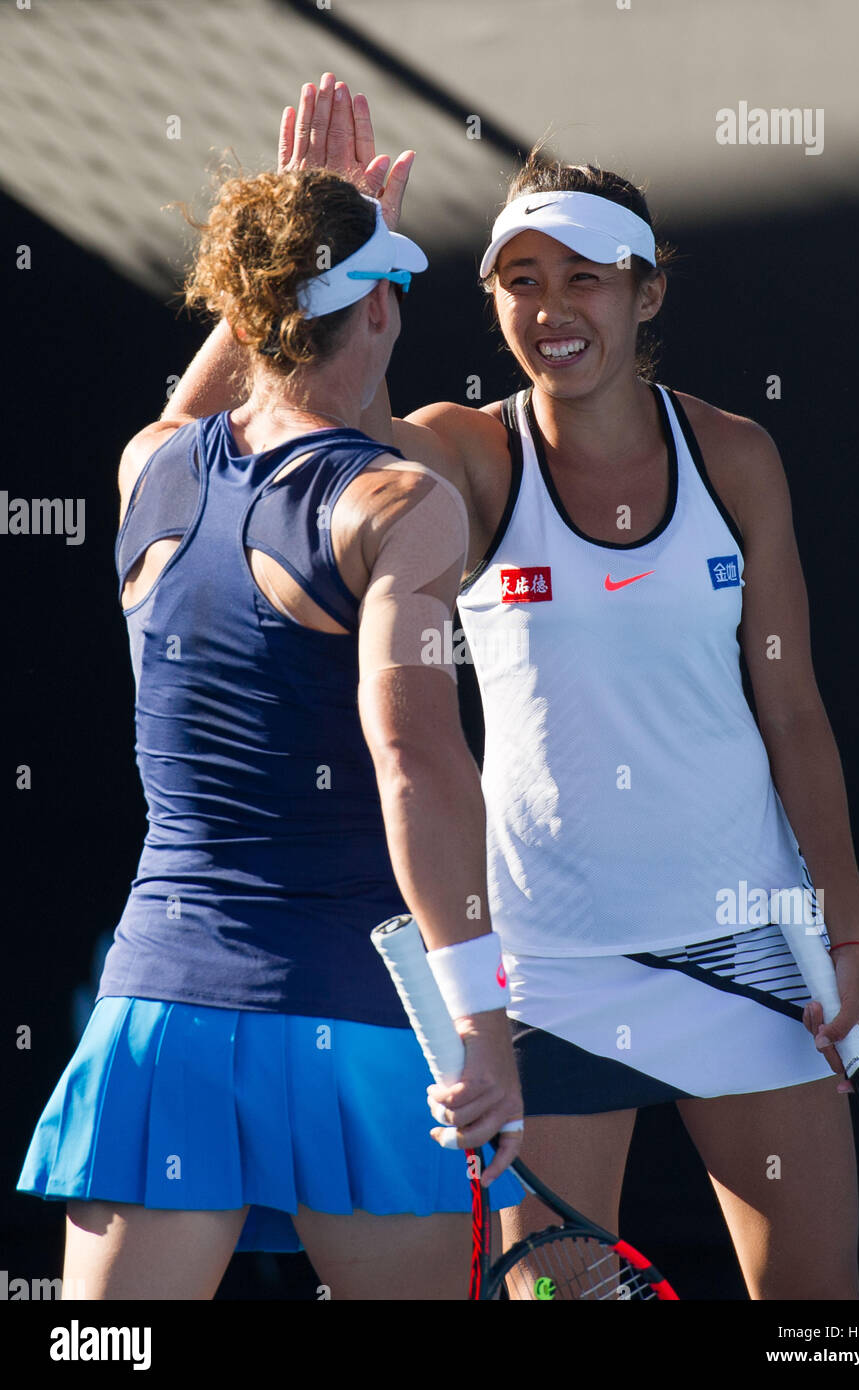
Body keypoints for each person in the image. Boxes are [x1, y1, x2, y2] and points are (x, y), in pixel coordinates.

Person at [177, 76, 859, 1300]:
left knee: (818, 1319)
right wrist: (304, 252)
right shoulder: (456, 448)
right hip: (546, 974)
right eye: (520, 281)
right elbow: (274, 421)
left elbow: (795, 712)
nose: (550, 311)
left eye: (584, 279)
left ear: (648, 290)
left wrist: (851, 935)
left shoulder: (737, 456)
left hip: (754, 948)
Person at [16, 139, 524, 1300]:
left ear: (246, 312)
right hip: (361, 1019)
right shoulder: (405, 502)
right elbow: (414, 765)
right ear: (384, 312)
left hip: (161, 1016)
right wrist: (482, 1020)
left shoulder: (148, 468)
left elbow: (201, 404)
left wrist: (292, 254)